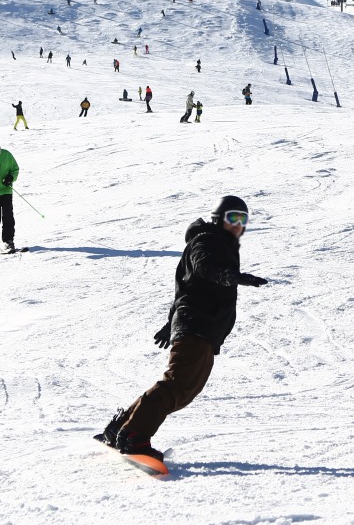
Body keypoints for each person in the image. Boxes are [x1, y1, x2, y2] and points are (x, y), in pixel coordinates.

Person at [95, 195, 268, 461]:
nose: (238, 225)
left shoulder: (217, 243)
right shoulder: (207, 241)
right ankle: (133, 437)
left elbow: (187, 287)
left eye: (242, 220)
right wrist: (234, 277)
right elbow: (204, 268)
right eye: (232, 218)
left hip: (199, 324)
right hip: (199, 323)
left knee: (181, 387)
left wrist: (171, 321)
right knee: (179, 386)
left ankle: (120, 428)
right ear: (218, 219)